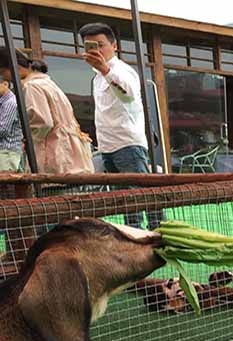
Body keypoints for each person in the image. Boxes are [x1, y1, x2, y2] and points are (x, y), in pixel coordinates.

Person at [78, 22, 163, 230]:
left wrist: (105, 70)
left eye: (100, 45)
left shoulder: (122, 71)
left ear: (114, 46)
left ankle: (158, 231)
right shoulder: (96, 78)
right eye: (90, 46)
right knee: (124, 199)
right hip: (107, 146)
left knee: (142, 191)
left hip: (128, 144)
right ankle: (134, 234)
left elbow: (127, 95)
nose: (96, 50)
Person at [0, 50, 93, 175]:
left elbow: (43, 123)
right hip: (68, 151)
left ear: (15, 67)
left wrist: (27, 140)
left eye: (2, 72)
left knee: (53, 190)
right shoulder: (47, 83)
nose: (4, 78)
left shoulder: (32, 86)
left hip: (54, 152)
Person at [0, 79, 22, 172]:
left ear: (5, 84)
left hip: (7, 152)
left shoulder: (10, 103)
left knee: (6, 184)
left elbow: (3, 130)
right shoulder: (3, 102)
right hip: (5, 152)